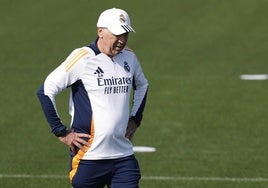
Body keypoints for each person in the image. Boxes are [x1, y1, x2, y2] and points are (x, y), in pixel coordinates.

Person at [37, 8, 148, 188]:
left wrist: (136, 119)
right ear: (100, 32)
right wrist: (61, 132)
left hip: (123, 156)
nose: (122, 40)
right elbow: (46, 90)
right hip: (89, 157)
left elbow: (143, 85)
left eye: (125, 34)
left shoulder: (129, 57)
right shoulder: (83, 58)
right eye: (117, 34)